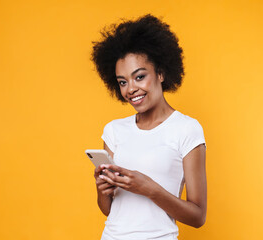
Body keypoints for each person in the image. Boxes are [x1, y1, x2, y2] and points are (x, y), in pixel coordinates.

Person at [91, 14, 207, 240]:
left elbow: (198, 217)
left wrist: (149, 189)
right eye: (123, 82)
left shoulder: (187, 129)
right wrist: (102, 190)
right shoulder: (114, 131)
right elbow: (110, 210)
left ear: (161, 73)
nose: (130, 89)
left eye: (139, 77)